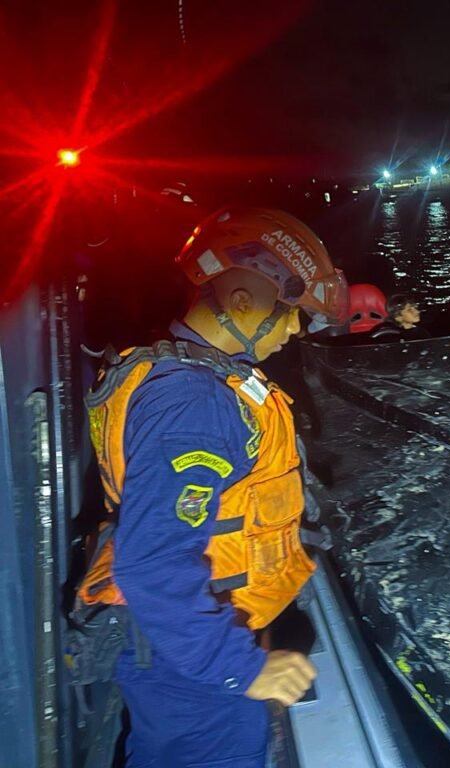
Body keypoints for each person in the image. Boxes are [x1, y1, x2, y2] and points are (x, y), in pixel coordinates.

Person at [71, 207, 348, 767]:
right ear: (242, 302)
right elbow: (153, 562)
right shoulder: (195, 404)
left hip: (193, 641)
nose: (296, 330)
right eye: (290, 314)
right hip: (192, 666)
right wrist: (241, 669)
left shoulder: (198, 375)